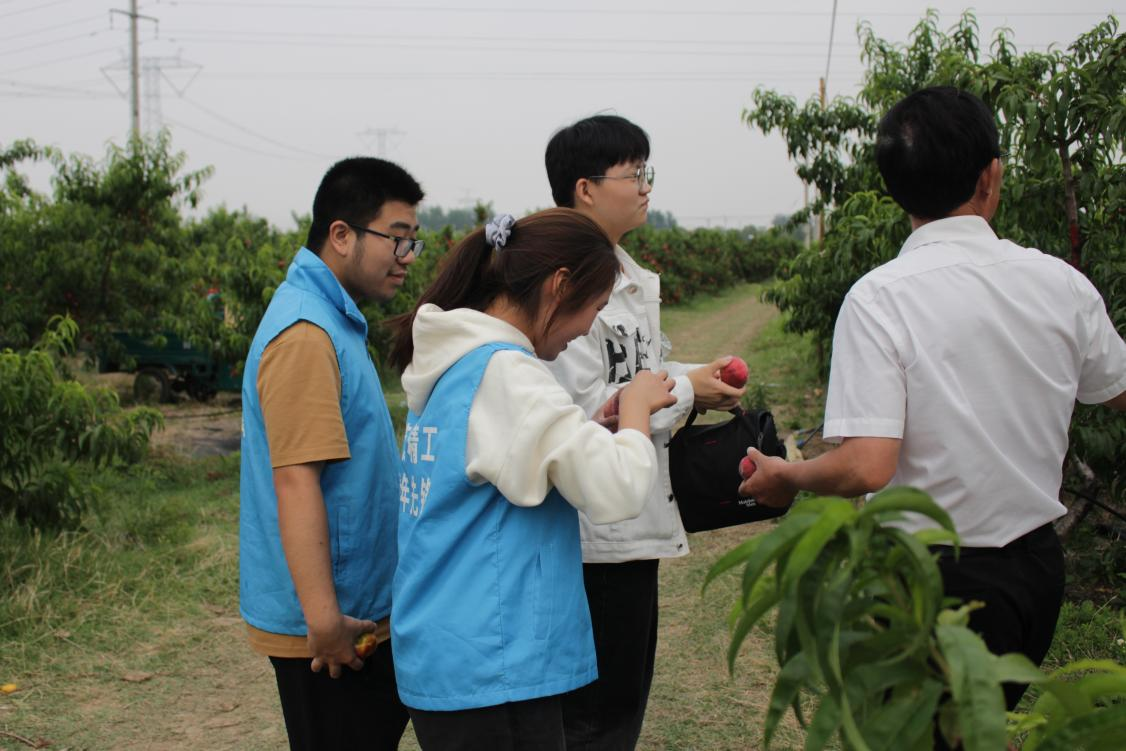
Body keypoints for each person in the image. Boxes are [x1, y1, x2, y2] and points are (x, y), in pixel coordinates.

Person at [740, 86, 1126, 710]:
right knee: (980, 723)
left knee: (924, 730)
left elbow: (867, 465)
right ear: (991, 176)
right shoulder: (1060, 283)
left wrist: (788, 476)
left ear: (894, 188)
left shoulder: (880, 297)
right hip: (1033, 569)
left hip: (927, 577)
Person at [385, 208, 678, 751]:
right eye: (594, 308)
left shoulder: (458, 362)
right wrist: (637, 406)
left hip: (453, 653)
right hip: (495, 667)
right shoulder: (508, 373)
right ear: (559, 286)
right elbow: (617, 487)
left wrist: (587, 430)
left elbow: (500, 464)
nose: (588, 327)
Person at [543, 114, 745, 749]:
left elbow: (634, 375)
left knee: (618, 705)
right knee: (596, 718)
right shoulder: (566, 280)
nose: (646, 186)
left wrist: (690, 376)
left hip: (627, 524)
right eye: (634, 174)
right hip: (595, 533)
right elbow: (586, 408)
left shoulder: (621, 275)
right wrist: (685, 391)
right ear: (585, 189)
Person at [239, 157, 424, 749]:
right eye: (396, 238)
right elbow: (296, 480)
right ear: (341, 235)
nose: (407, 257)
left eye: (413, 242)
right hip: (332, 629)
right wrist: (323, 621)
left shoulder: (333, 319)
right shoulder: (305, 334)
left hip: (355, 610)